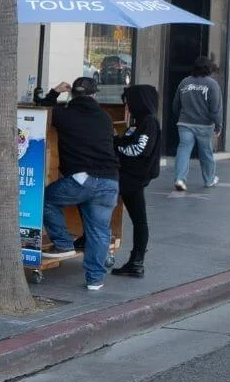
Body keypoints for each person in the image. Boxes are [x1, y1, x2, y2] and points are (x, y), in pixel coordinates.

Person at [38, 76, 120, 291]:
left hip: (82, 179)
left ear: (73, 94)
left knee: (45, 199)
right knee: (99, 231)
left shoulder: (65, 115)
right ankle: (95, 280)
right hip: (110, 181)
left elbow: (41, 113)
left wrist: (55, 92)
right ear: (94, 95)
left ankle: (63, 244)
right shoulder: (105, 117)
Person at [111, 85, 161, 278]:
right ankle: (136, 262)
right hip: (131, 177)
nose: (128, 107)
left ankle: (136, 261)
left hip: (132, 178)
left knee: (139, 220)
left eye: (129, 103)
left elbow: (138, 149)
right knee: (138, 219)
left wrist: (116, 143)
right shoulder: (140, 122)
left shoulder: (148, 122)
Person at [172, 56, 223, 191]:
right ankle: (209, 179)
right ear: (209, 69)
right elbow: (215, 109)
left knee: (183, 150)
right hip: (204, 125)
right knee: (206, 153)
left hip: (184, 123)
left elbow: (176, 104)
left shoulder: (184, 82)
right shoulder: (212, 84)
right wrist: (218, 126)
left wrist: (181, 117)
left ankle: (180, 179)